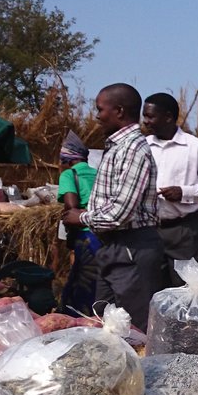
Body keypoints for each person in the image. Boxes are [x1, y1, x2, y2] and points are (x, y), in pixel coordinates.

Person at [65, 83, 166, 329]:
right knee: (107, 323)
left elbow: (121, 212)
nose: (97, 116)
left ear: (119, 111)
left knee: (136, 329)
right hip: (114, 247)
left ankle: (145, 368)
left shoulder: (133, 150)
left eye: (101, 109)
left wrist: (82, 218)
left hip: (131, 247)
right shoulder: (117, 148)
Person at [141, 92, 198, 283]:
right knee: (151, 288)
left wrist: (184, 192)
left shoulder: (195, 147)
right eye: (144, 116)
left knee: (186, 289)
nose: (145, 121)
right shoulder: (143, 146)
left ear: (168, 117)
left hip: (184, 231)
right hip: (148, 230)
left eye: (150, 116)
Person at [55, 131, 100, 313]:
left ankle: (79, 318)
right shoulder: (98, 173)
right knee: (98, 281)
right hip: (104, 232)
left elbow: (71, 205)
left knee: (83, 280)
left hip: (85, 235)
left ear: (68, 159)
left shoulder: (68, 175)